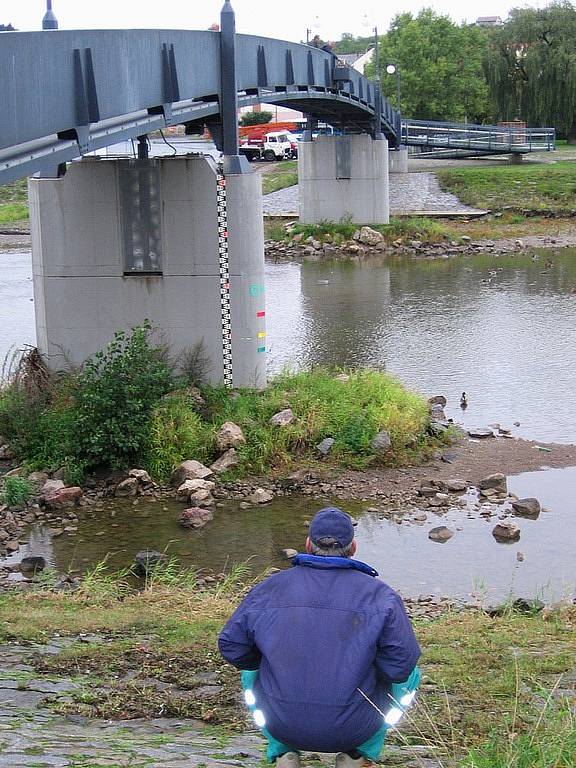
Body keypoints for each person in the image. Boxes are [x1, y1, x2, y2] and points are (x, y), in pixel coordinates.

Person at [218, 507, 421, 768]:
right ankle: (357, 755)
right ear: (354, 547)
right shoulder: (382, 596)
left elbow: (232, 646)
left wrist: (272, 660)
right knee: (411, 674)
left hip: (279, 723)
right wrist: (365, 668)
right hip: (356, 727)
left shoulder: (268, 588)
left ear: (307, 545)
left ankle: (283, 753)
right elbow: (400, 666)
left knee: (251, 671)